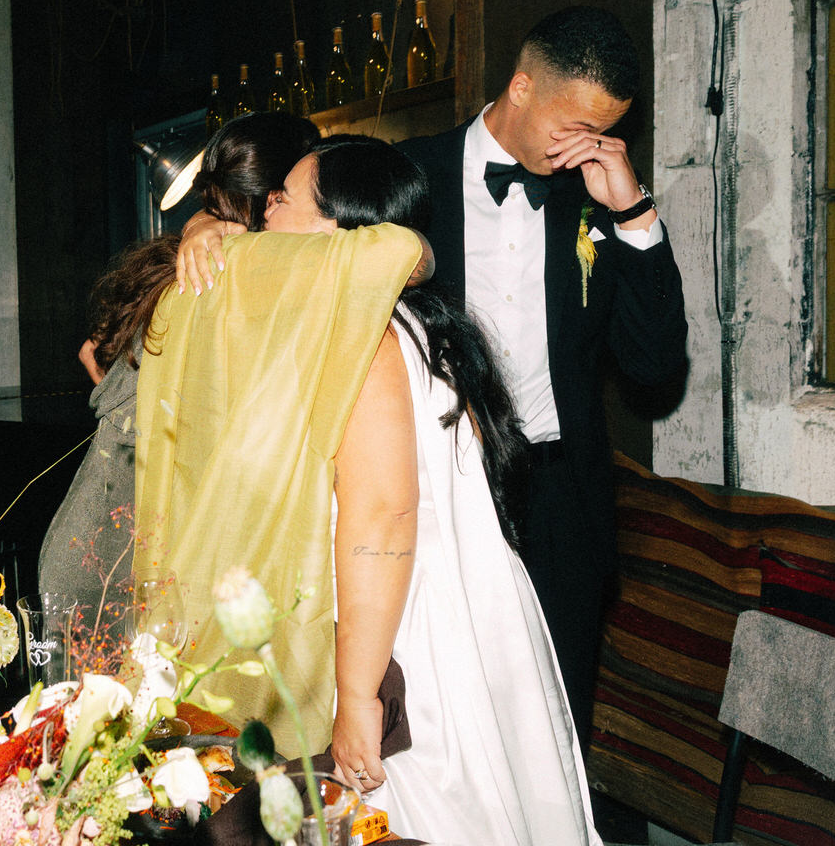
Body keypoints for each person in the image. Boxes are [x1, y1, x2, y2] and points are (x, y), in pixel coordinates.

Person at [263, 135, 601, 846]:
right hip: (441, 604)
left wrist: (358, 695)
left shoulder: (370, 338)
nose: (266, 208)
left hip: (409, 628)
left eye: (283, 197)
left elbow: (383, 517)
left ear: (338, 229)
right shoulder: (399, 320)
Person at [397, 6, 688, 746]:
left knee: (556, 728)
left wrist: (633, 213)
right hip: (436, 492)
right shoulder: (409, 175)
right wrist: (208, 230)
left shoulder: (594, 196)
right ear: (522, 88)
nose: (585, 148)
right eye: (576, 126)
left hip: (562, 503)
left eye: (603, 132)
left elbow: (655, 367)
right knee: (444, 725)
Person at [37, 112, 320, 607]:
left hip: (93, 542)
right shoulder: (233, 280)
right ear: (273, 198)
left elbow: (95, 355)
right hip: (118, 567)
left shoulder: (178, 262)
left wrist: (202, 222)